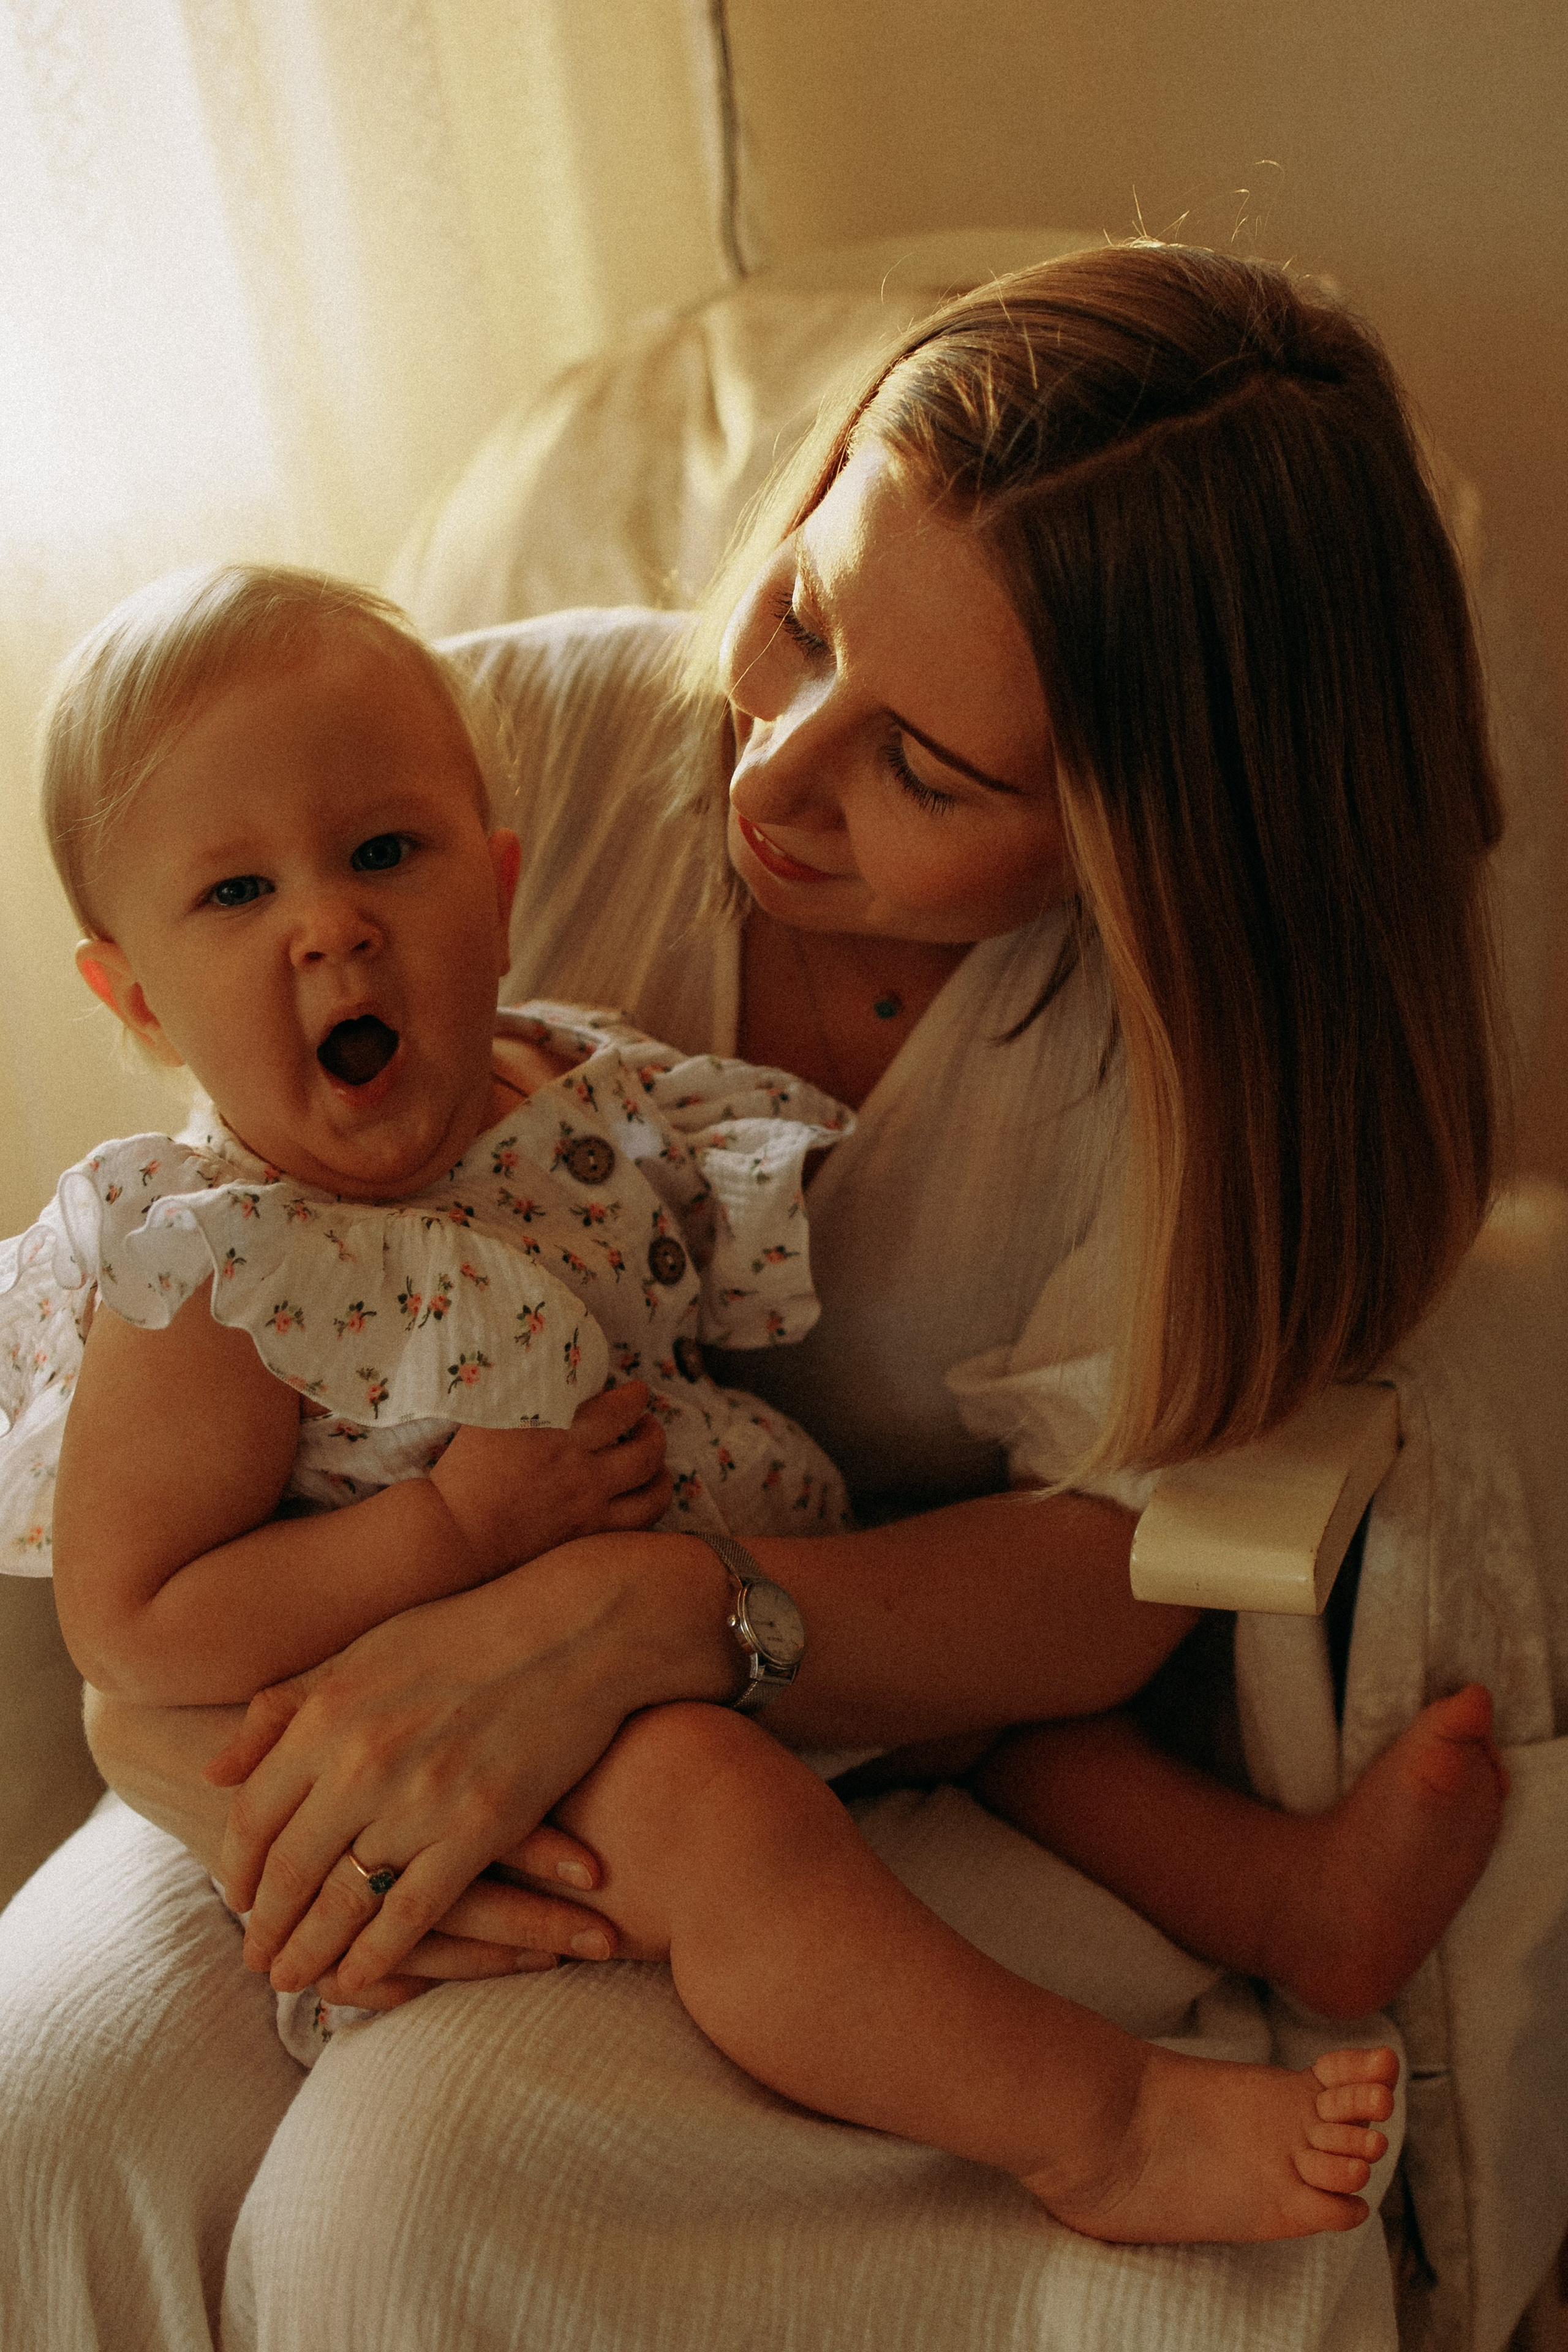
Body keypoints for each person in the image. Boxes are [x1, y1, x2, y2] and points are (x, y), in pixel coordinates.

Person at [0, 243, 1508, 2345]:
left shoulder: (1179, 1047)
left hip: (893, 1711)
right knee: (37, 2121)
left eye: (932, 771)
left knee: (402, 2208)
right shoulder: (480, 758)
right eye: (804, 617)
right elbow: (203, 1347)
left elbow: (1122, 1568)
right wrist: (223, 1759)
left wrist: (634, 1622)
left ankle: (1113, 2140)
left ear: (1156, 846)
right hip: (361, 1680)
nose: (774, 773)